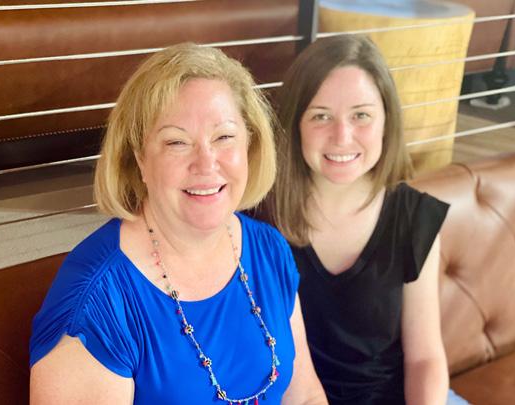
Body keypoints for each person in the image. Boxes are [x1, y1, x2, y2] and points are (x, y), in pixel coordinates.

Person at [29, 43, 326, 405]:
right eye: (176, 142)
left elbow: (305, 396)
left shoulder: (269, 249)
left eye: (224, 137)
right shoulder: (97, 303)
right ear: (139, 158)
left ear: (249, 144)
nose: (206, 163)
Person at [267, 35, 466, 404]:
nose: (342, 137)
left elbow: (424, 357)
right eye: (321, 116)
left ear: (386, 121)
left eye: (361, 115)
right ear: (295, 123)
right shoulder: (261, 221)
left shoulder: (415, 216)